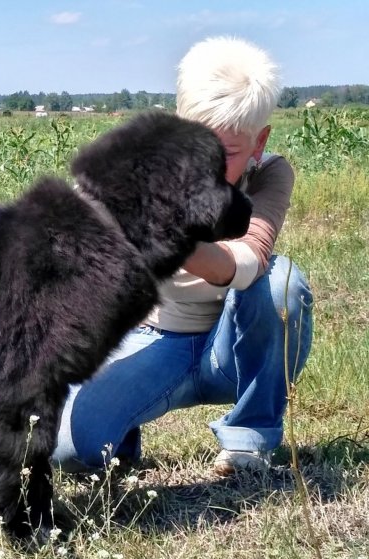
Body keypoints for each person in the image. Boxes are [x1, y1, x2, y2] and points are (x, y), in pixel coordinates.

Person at [52, 36, 314, 476]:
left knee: (280, 283)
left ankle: (249, 438)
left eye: (226, 153)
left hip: (233, 346)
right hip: (155, 338)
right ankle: (120, 439)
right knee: (70, 452)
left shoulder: (270, 173)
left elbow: (247, 261)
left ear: (259, 141)